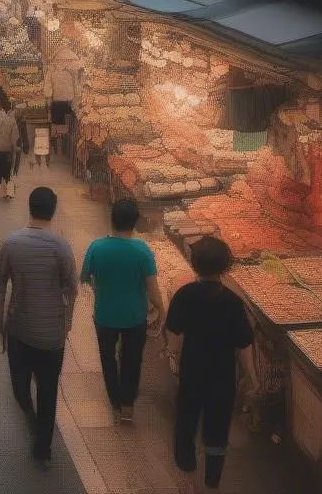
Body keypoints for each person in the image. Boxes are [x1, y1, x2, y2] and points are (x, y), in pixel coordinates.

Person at [0, 187, 78, 468]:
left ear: (29, 207)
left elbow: (0, 287)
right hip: (51, 335)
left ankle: (35, 428)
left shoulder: (10, 242)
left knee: (19, 384)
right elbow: (72, 289)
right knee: (49, 389)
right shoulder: (61, 246)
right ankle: (42, 440)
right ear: (53, 210)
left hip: (19, 330)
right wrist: (67, 322)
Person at [166, 236, 258, 491]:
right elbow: (243, 346)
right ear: (226, 266)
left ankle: (187, 471)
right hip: (223, 377)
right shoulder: (233, 302)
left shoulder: (185, 295)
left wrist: (172, 356)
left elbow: (173, 334)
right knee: (217, 428)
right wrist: (252, 379)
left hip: (192, 372)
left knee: (186, 420)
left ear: (194, 264)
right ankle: (212, 480)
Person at [80, 198, 165, 424]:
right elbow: (153, 290)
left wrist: (101, 285)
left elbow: (85, 278)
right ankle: (127, 406)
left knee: (108, 359)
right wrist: (160, 308)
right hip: (135, 317)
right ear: (135, 222)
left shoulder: (97, 247)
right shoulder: (142, 251)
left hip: (104, 315)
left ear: (112, 219)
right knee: (132, 359)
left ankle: (115, 400)